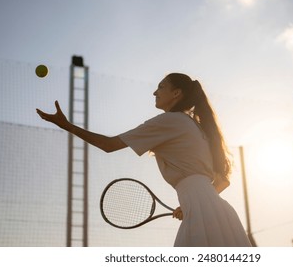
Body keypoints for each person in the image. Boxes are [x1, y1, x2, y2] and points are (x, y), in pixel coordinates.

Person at [36, 72, 251, 247]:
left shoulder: (169, 121)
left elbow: (109, 145)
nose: (155, 92)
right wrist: (191, 204)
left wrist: (67, 126)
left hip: (202, 212)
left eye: (161, 87)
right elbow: (222, 181)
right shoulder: (197, 127)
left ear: (176, 93)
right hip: (222, 214)